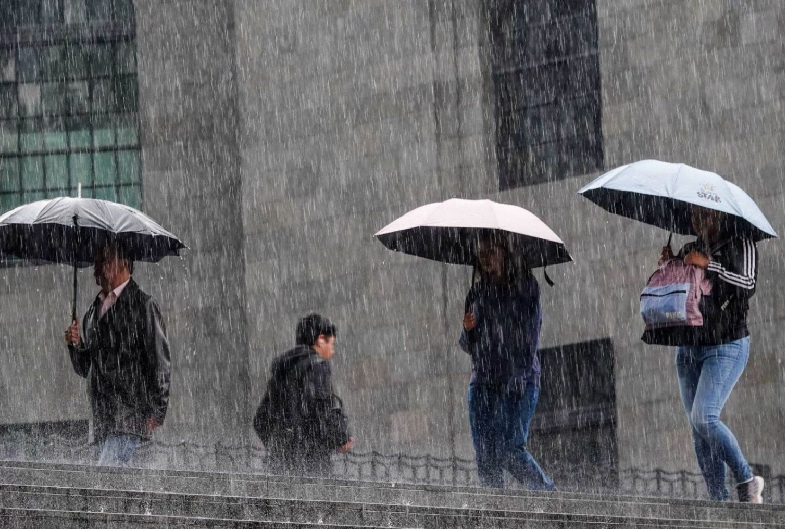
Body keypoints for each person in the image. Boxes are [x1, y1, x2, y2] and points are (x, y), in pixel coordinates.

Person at [663, 205, 764, 502]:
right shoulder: (690, 246)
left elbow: (747, 284)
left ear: (720, 214)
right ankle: (717, 499)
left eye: (705, 214)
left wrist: (709, 264)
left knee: (705, 418)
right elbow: (680, 291)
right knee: (698, 430)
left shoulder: (741, 242)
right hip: (689, 347)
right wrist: (670, 264)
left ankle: (746, 479)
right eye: (694, 214)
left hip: (727, 345)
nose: (698, 220)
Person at [459, 234, 554, 490]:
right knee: (486, 455)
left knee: (510, 448)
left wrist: (517, 377)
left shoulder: (526, 287)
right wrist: (468, 329)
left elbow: (530, 337)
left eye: (491, 252)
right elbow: (467, 345)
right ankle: (496, 512)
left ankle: (549, 496)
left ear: (505, 252)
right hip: (483, 382)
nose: (486, 258)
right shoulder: (477, 291)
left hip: (518, 379)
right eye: (481, 254)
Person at [64, 241, 171, 467]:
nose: (98, 268)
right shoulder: (92, 312)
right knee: (114, 489)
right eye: (97, 261)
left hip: (130, 417)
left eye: (105, 260)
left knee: (104, 481)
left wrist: (157, 411)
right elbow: (85, 368)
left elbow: (160, 361)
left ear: (124, 262)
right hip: (103, 420)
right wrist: (75, 345)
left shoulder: (143, 305)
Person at [254, 313, 353, 476]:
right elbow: (321, 407)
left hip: (279, 464)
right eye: (332, 344)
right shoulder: (318, 365)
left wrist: (280, 445)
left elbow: (260, 419)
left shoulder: (282, 370)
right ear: (321, 339)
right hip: (311, 464)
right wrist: (341, 437)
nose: (332, 351)